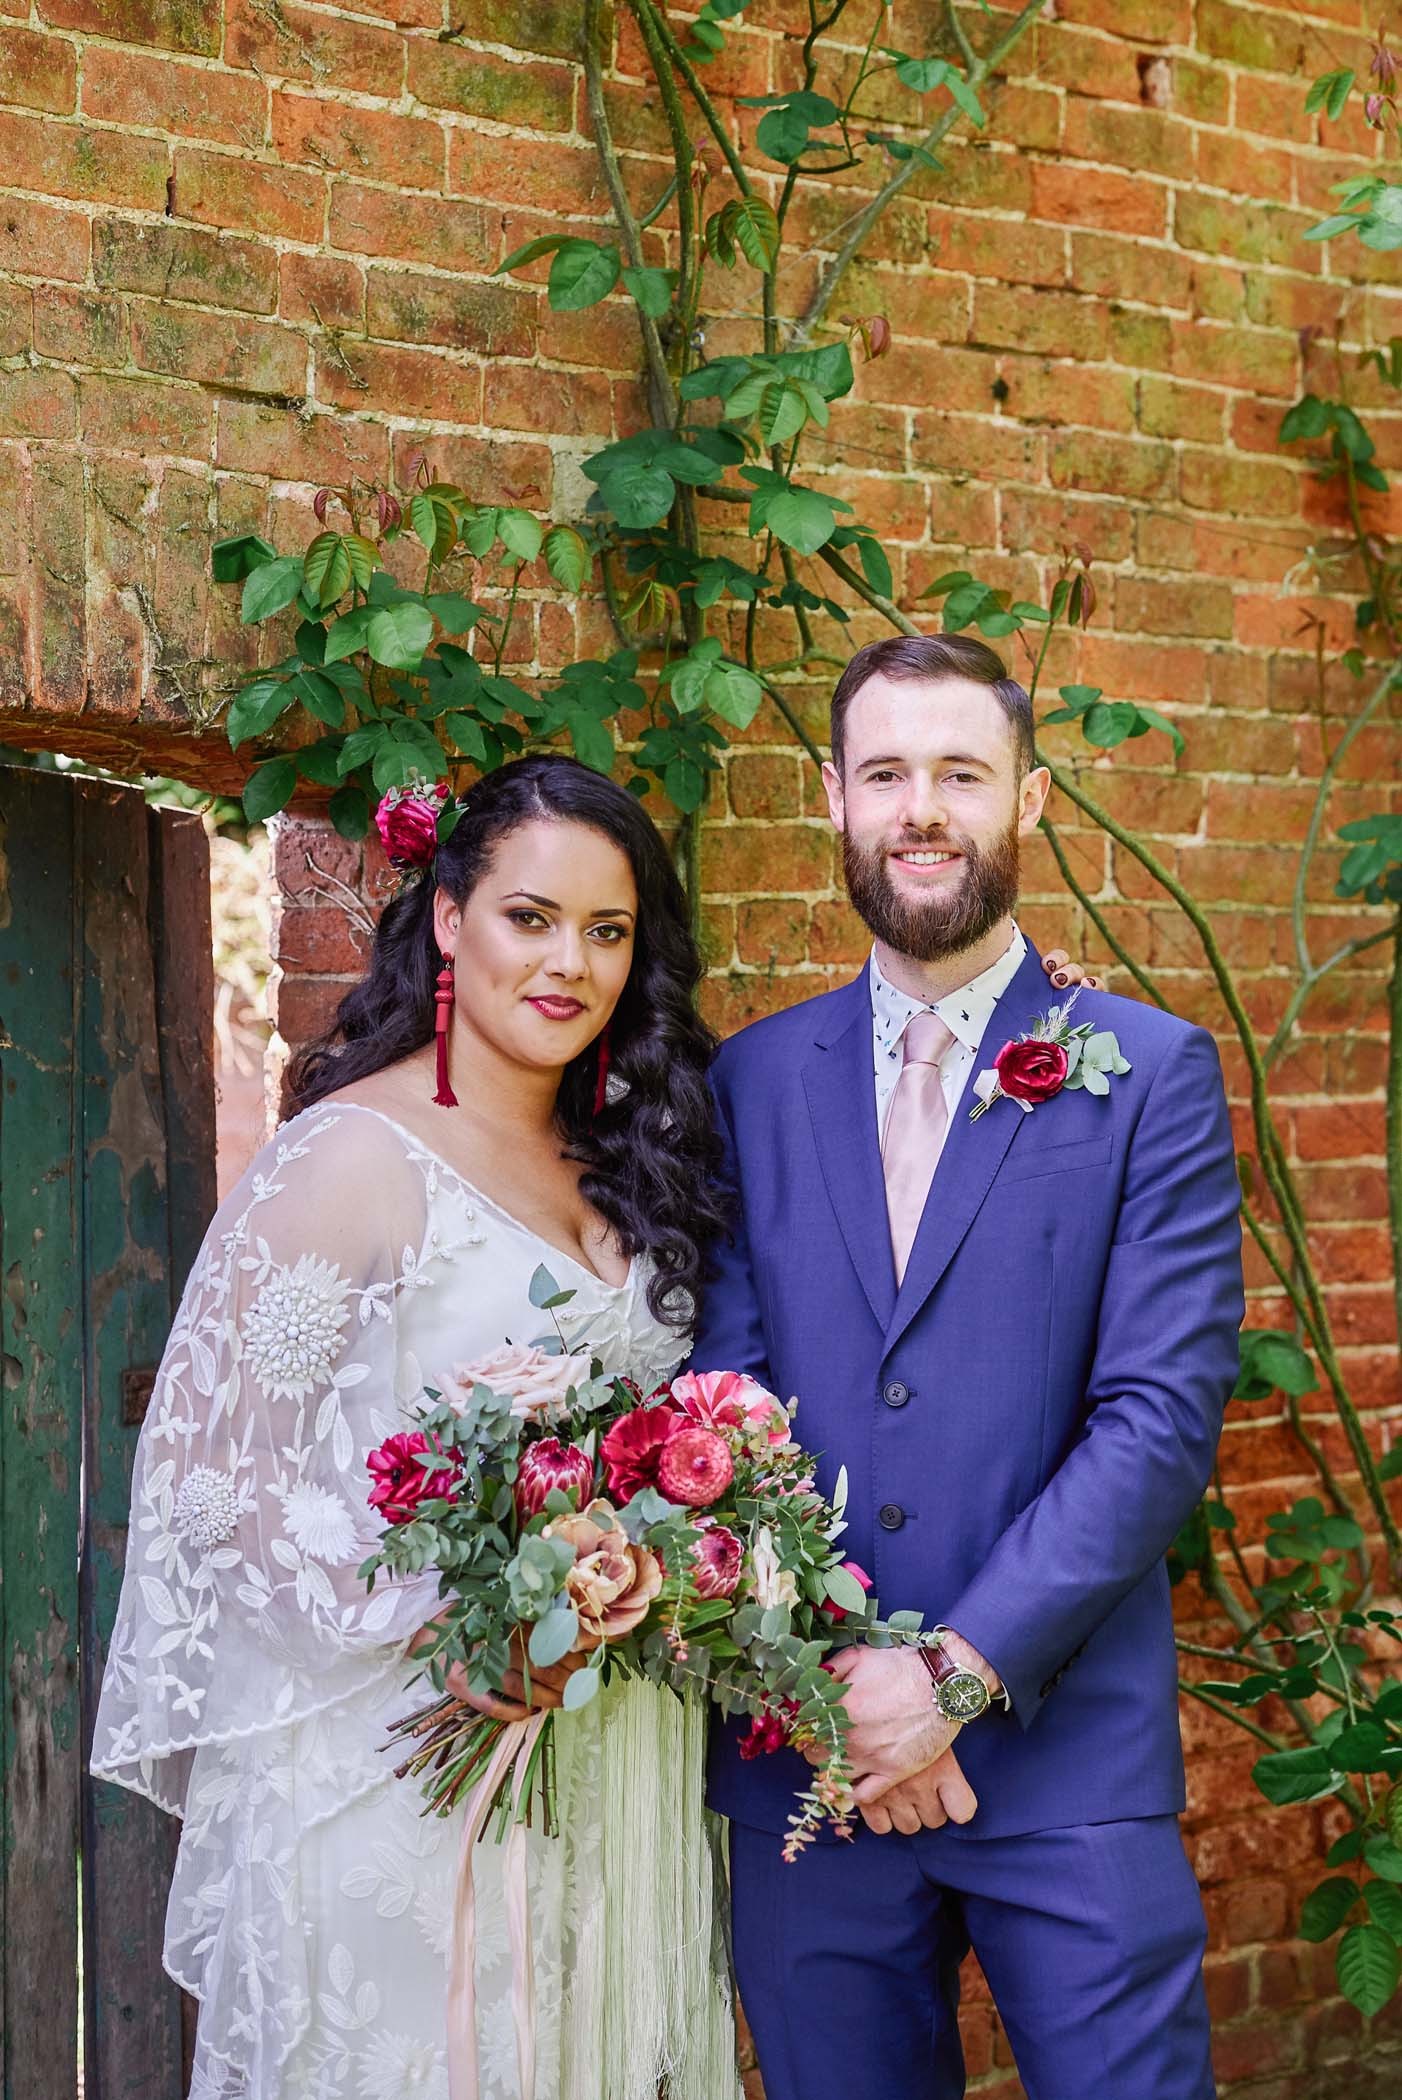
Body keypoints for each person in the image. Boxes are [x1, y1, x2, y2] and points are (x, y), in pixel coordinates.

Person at [92, 754, 740, 2100]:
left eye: (607, 931)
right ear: (448, 917)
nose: (568, 964)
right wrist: (450, 1616)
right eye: (530, 917)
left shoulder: (626, 1157)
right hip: (410, 1765)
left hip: (610, 1757)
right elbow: (213, 1481)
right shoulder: (351, 1160)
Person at [691, 633, 1244, 2100]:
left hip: (1067, 1764)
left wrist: (947, 1677)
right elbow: (720, 1410)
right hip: (809, 1768)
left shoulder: (1151, 1074)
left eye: (960, 774)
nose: (921, 810)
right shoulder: (749, 1080)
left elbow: (1158, 1421)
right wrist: (844, 1692)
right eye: (884, 774)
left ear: (1028, 798)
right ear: (833, 798)